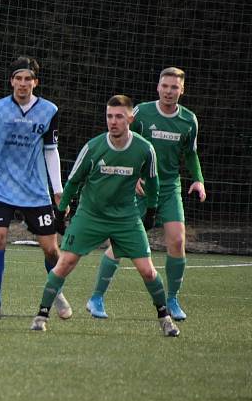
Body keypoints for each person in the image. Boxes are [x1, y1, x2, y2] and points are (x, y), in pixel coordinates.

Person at [30, 95, 180, 337]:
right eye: (109, 116)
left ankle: (165, 318)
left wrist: (151, 210)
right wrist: (60, 213)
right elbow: (73, 182)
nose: (113, 121)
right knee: (65, 263)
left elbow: (153, 182)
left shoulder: (144, 149)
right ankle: (41, 315)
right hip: (91, 215)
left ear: (130, 118)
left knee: (148, 271)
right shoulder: (93, 147)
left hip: (126, 218)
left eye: (119, 116)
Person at [86, 68, 205, 321]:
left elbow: (191, 153)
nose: (169, 91)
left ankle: (171, 299)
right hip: (138, 188)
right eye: (165, 86)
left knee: (177, 241)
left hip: (169, 187)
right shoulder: (141, 112)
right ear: (158, 87)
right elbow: (124, 141)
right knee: (120, 244)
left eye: (174, 87)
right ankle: (96, 298)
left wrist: (199, 180)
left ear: (182, 90)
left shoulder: (189, 120)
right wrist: (135, 174)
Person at [0, 56, 71, 321]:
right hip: (1, 187)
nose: (23, 84)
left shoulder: (49, 111)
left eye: (28, 79)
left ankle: (57, 292)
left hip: (35, 190)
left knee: (51, 249)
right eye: (18, 78)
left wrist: (58, 190)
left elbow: (51, 152)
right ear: (11, 81)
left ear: (35, 82)